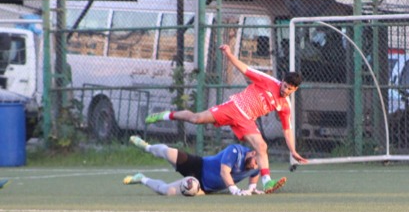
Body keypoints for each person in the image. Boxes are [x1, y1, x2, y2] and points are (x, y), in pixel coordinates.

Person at [144, 44, 308, 194]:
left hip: (246, 120)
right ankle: (165, 115)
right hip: (233, 107)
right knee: (196, 119)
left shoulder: (285, 105)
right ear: (282, 82)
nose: (286, 90)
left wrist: (293, 151)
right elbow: (245, 69)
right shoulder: (268, 81)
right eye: (285, 86)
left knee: (262, 146)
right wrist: (229, 54)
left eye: (290, 89)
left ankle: (266, 182)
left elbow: (287, 129)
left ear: (295, 89)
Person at [123, 136, 262, 196]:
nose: (255, 166)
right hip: (199, 165)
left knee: (166, 191)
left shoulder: (255, 167)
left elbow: (254, 174)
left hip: (202, 187)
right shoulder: (236, 151)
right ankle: (147, 147)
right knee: (168, 152)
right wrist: (236, 191)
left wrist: (252, 189)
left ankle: (141, 179)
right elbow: (224, 172)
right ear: (253, 153)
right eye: (256, 161)